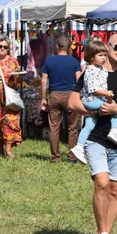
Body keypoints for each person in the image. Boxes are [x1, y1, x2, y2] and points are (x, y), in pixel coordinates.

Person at [67, 33, 117, 234]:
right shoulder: (92, 72)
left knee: (115, 189)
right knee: (102, 182)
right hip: (95, 138)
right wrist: (94, 111)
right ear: (107, 47)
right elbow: (72, 101)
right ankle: (101, 233)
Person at [72, 38, 117, 162]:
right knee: (114, 108)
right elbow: (93, 89)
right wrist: (107, 93)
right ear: (91, 58)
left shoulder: (100, 69)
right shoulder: (90, 70)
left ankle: (79, 147)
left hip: (92, 100)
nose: (104, 58)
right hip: (92, 99)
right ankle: (114, 130)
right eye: (100, 55)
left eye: (105, 55)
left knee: (89, 125)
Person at [39, 33, 82, 163]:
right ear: (69, 47)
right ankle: (71, 157)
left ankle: (55, 157)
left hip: (54, 95)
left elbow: (43, 81)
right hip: (70, 95)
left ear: (57, 46)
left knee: (54, 127)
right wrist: (78, 96)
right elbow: (79, 80)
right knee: (72, 128)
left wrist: (43, 98)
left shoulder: (49, 61)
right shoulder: (74, 61)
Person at [0, 40, 23, 159]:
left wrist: (17, 75)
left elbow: (18, 80)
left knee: (10, 121)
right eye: (0, 46)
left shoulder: (13, 61)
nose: (2, 48)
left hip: (9, 98)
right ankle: (0, 151)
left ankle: (8, 150)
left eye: (5, 47)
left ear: (8, 48)